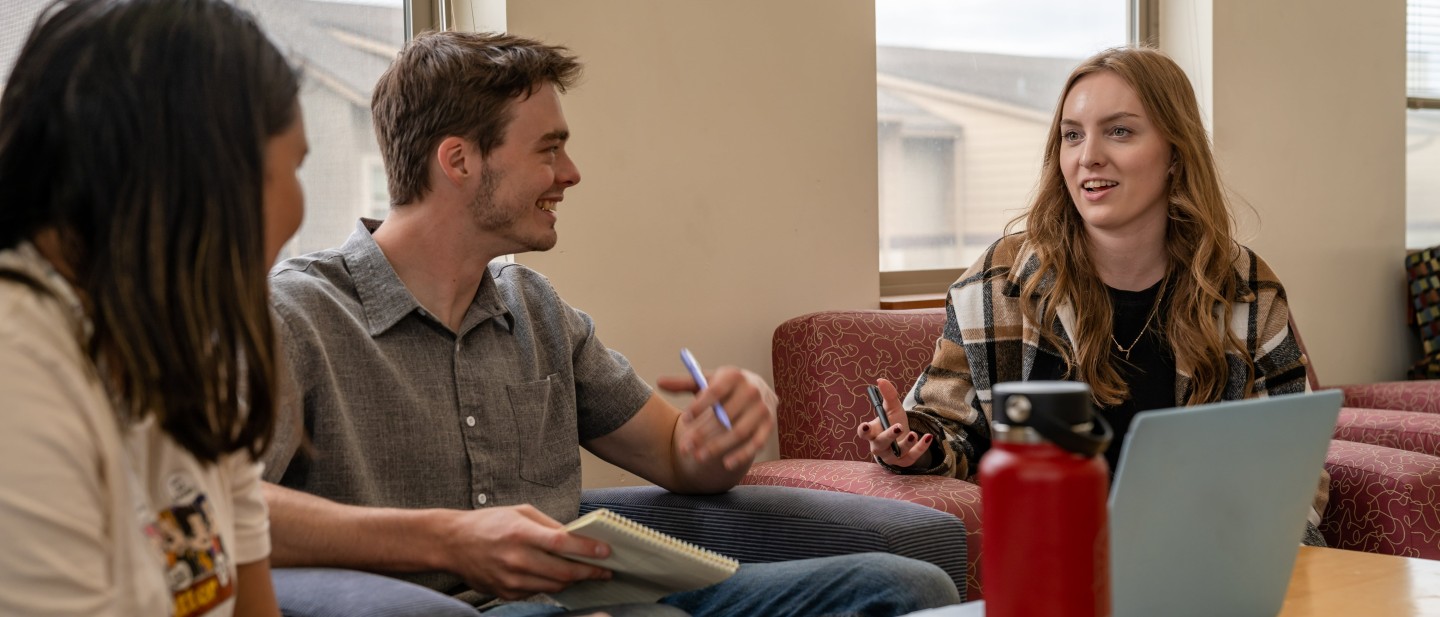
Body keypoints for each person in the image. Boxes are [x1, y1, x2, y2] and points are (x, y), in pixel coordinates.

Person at [261, 30, 960, 617]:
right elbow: (223, 508)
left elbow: (677, 456)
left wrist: (721, 434)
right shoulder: (300, 315)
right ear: (459, 160)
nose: (571, 172)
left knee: (907, 588)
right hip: (447, 608)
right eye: (547, 149)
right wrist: (448, 539)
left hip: (599, 598)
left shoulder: (535, 308)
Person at [856, 46, 1329, 545]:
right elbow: (951, 427)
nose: (1089, 156)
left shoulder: (1244, 288)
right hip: (1057, 562)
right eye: (1072, 135)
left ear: (1175, 152)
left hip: (1205, 558)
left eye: (1119, 131)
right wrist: (912, 443)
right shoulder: (1001, 281)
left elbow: (1292, 465)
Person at [0, 0, 307, 615]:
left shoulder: (180, 348)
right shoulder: (18, 372)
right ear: (203, 172)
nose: (300, 207)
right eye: (294, 165)